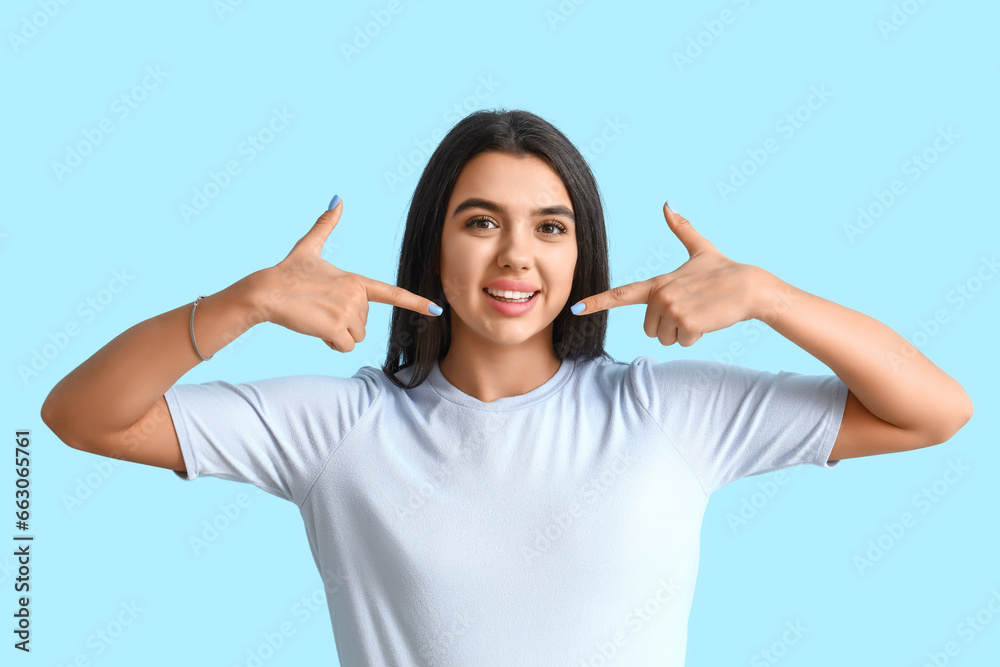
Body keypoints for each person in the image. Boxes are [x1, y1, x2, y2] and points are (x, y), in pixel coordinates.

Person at [41, 109, 973, 666]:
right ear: (434, 242)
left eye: (551, 227)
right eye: (481, 220)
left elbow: (935, 409)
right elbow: (80, 415)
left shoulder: (668, 412)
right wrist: (240, 304)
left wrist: (771, 297)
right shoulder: (338, 426)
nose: (516, 255)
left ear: (582, 250)